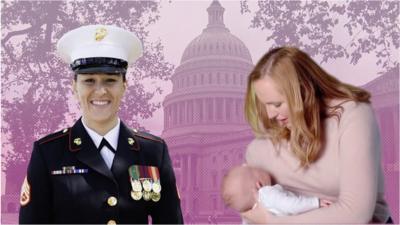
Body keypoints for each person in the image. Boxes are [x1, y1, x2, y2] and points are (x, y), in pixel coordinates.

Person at [19, 24, 183, 224]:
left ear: (124, 85)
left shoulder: (153, 151)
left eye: (110, 80)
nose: (100, 91)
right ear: (74, 86)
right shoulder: (48, 153)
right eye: (89, 81)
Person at [241, 46, 392, 223]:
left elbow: (356, 214)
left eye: (276, 104)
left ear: (303, 91)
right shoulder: (260, 149)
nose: (270, 115)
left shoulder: (353, 115)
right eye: (265, 105)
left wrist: (270, 221)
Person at [221, 165, 331, 217]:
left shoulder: (254, 213)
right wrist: (315, 202)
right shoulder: (267, 194)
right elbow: (291, 205)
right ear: (259, 184)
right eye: (255, 170)